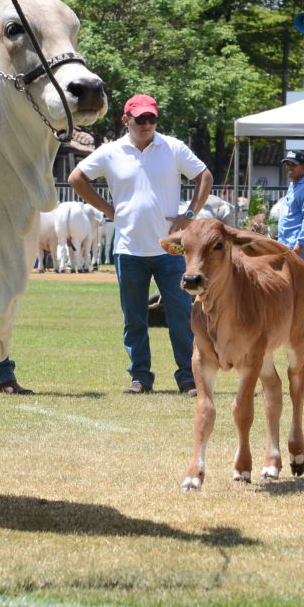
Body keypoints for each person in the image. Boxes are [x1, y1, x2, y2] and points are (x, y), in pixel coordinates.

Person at [68, 93, 212, 395]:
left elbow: (204, 176)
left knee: (181, 317)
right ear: (126, 120)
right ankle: (140, 378)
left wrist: (189, 214)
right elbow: (76, 178)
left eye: (151, 118)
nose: (146, 124)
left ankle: (188, 378)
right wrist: (108, 209)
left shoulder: (173, 147)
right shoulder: (110, 151)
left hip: (170, 250)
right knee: (134, 318)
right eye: (140, 118)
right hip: (128, 250)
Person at [275, 150, 304, 329]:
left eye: (293, 165)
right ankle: (291, 321)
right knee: (287, 283)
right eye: (287, 164)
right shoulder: (293, 185)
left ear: (303, 167)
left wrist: (300, 243)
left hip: (297, 245)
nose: (289, 168)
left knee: (301, 283)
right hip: (285, 242)